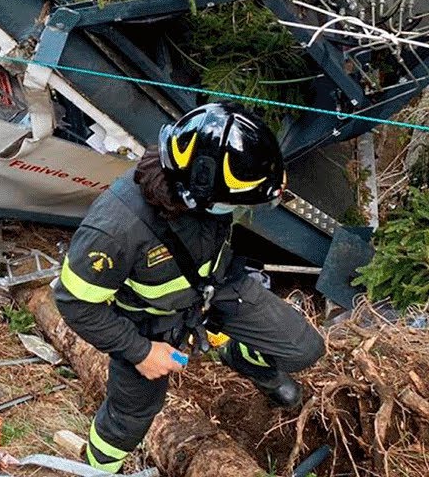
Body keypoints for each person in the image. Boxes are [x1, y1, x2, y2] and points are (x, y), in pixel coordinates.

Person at [54, 102, 324, 473]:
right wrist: (140, 351)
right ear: (197, 191)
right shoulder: (115, 230)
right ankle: (97, 469)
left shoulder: (205, 185)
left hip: (217, 287)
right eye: (231, 204)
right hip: (147, 321)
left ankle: (241, 356)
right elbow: (75, 303)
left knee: (303, 348)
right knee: (129, 419)